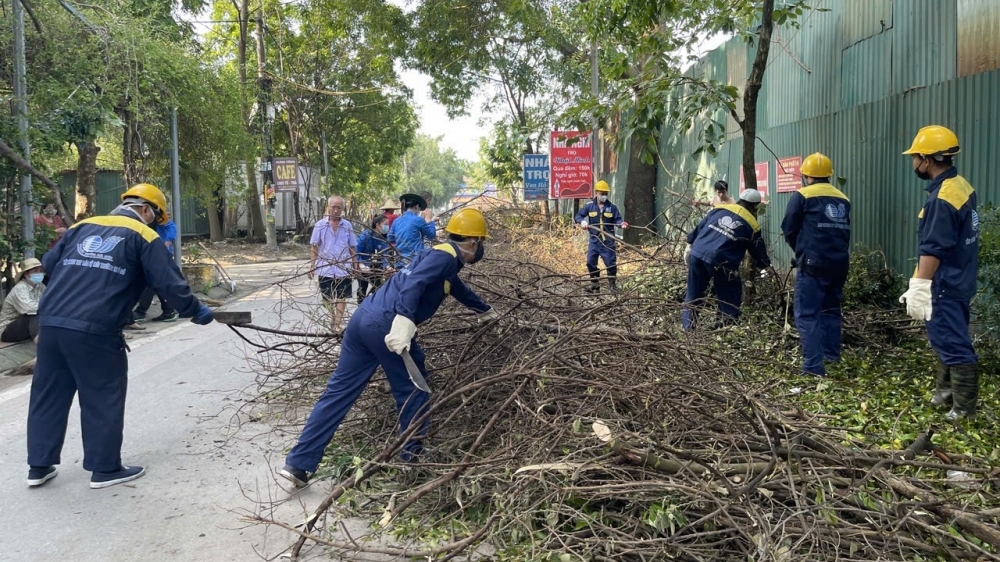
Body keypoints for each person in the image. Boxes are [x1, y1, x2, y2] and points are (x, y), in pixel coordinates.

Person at [279, 208, 497, 488]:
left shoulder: (438, 255)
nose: (481, 249)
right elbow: (415, 284)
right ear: (473, 243)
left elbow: (454, 287)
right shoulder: (446, 257)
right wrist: (405, 319)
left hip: (362, 320)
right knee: (414, 392)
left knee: (338, 392)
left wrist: (485, 310)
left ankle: (298, 464)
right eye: (481, 243)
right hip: (385, 325)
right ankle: (410, 463)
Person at [26, 183, 214, 489]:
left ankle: (39, 466)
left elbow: (47, 267)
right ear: (145, 209)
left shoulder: (82, 226)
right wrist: (194, 309)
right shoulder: (143, 235)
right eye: (155, 216)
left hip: (51, 324)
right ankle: (105, 468)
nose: (154, 221)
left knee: (49, 394)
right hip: (96, 328)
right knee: (102, 394)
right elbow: (168, 283)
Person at [898, 126, 979, 421]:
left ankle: (964, 409)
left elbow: (934, 248)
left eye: (915, 157)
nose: (913, 163)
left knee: (952, 340)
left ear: (926, 159)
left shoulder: (940, 200)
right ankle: (945, 393)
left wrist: (920, 285)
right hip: (961, 277)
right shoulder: (961, 186)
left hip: (945, 282)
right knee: (946, 335)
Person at [780, 153, 851, 377]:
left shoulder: (802, 195)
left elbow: (789, 228)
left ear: (806, 175)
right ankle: (832, 356)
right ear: (829, 175)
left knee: (808, 314)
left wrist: (800, 252)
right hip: (839, 263)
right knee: (831, 310)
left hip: (812, 264)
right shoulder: (843, 198)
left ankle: (813, 366)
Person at [682, 189, 770, 330]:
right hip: (722, 262)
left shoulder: (720, 209)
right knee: (730, 296)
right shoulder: (752, 223)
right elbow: (758, 249)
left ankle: (688, 329)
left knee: (693, 293)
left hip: (698, 253)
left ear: (740, 199)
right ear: (755, 206)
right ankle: (724, 329)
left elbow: (699, 227)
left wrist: (690, 242)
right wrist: (765, 265)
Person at [309, 195, 358, 332]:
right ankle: (333, 318)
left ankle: (337, 324)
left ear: (342, 209)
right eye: (333, 207)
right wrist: (312, 266)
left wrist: (355, 266)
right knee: (327, 298)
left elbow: (352, 247)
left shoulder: (347, 225)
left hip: (344, 268)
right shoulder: (320, 225)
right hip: (325, 268)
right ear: (328, 207)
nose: (336, 210)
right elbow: (314, 247)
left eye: (339, 208)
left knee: (342, 296)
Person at [574, 180, 628, 293]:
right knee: (590, 262)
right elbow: (578, 216)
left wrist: (621, 224)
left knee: (610, 263)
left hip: (608, 241)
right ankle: (595, 285)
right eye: (601, 193)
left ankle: (612, 286)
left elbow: (618, 220)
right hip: (594, 241)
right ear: (596, 193)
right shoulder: (589, 206)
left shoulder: (612, 207)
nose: (603, 195)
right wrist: (582, 222)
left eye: (605, 193)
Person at [133, 214, 179, 323]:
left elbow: (168, 241)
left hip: (160, 257)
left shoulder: (169, 225)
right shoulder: (154, 224)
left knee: (149, 284)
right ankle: (169, 311)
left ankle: (140, 312)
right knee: (159, 284)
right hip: (157, 257)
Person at [0, 258, 45, 343]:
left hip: (27, 329)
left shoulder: (40, 286)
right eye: (35, 271)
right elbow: (29, 309)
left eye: (40, 271)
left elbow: (50, 300)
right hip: (7, 330)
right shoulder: (20, 288)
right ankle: (42, 348)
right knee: (33, 314)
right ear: (26, 274)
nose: (39, 273)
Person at [387, 193, 437, 267]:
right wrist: (431, 221)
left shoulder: (396, 221)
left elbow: (390, 238)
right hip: (415, 262)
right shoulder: (418, 220)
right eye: (419, 209)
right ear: (417, 206)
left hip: (400, 261)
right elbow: (431, 235)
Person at [356, 214, 391, 303]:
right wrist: (360, 264)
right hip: (362, 265)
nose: (387, 227)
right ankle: (361, 306)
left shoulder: (383, 238)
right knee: (362, 288)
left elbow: (384, 255)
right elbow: (355, 250)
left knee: (379, 286)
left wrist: (387, 267)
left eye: (388, 225)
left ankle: (371, 303)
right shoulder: (366, 235)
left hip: (373, 265)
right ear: (378, 225)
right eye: (385, 225)